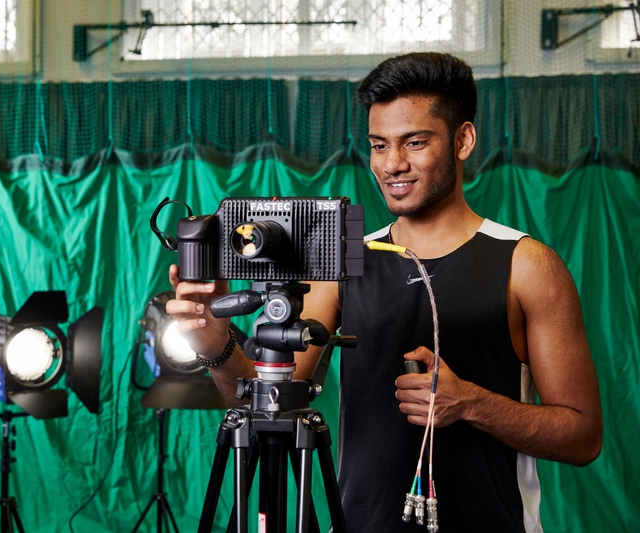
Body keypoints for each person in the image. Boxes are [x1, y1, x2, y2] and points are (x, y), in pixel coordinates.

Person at [166, 52, 602, 532]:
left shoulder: (527, 265)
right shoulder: (343, 263)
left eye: (415, 142)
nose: (393, 164)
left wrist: (472, 403)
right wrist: (216, 345)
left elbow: (582, 437)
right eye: (379, 145)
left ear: (463, 139)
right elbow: (264, 401)